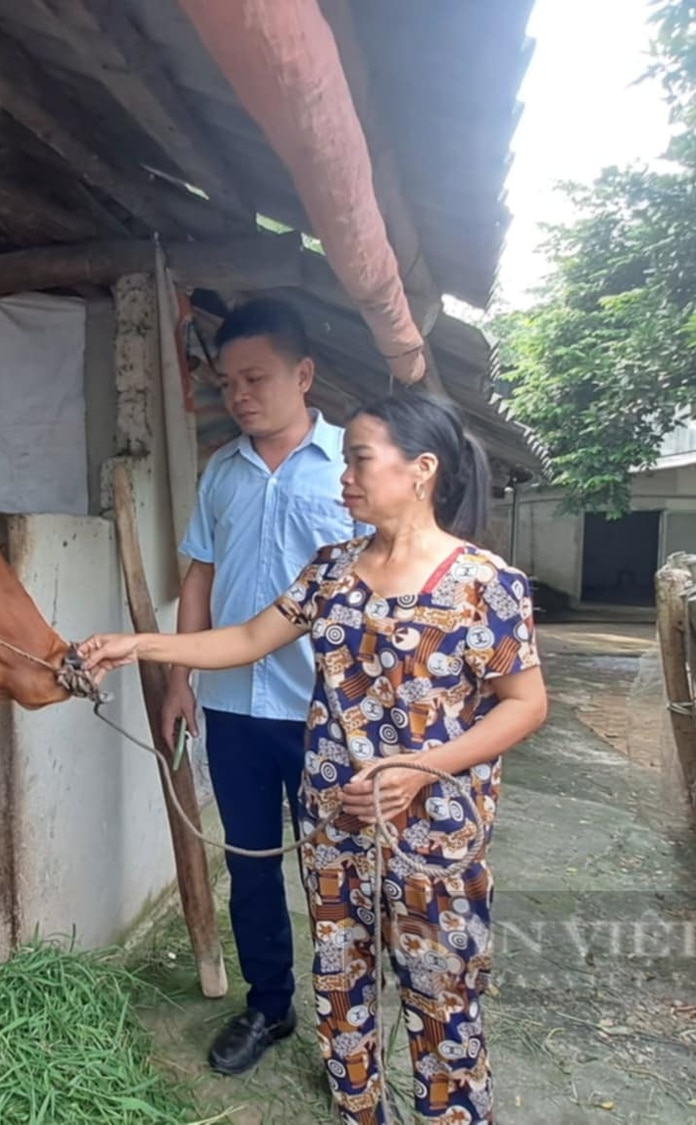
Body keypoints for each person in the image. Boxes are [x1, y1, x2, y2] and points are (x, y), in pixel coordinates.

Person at [82, 394, 549, 1124]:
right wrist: (137, 644)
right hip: (335, 821)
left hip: (434, 835)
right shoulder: (332, 570)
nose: (346, 478)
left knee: (440, 997)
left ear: (420, 470)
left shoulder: (486, 585)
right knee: (340, 975)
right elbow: (241, 640)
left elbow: (526, 703)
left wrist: (420, 769)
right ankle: (358, 1106)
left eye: (360, 459)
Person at [169, 297, 365, 1076]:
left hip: (329, 711)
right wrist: (178, 675)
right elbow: (200, 571)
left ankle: (346, 1024)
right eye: (227, 382)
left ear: (304, 373)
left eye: (256, 377)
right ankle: (267, 1006)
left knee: (338, 871)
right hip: (231, 706)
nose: (239, 395)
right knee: (250, 863)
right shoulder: (222, 470)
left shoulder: (355, 463)